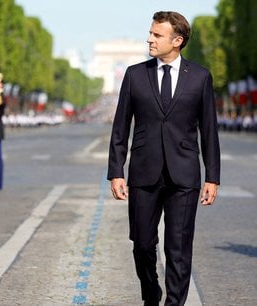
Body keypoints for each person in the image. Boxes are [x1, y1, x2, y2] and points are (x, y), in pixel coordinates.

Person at [107, 11, 220, 306]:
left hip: (184, 175)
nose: (150, 39)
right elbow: (121, 127)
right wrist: (116, 172)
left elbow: (209, 131)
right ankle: (151, 294)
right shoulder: (134, 75)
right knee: (142, 245)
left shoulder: (200, 77)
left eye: (157, 35)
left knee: (179, 248)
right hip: (143, 174)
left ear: (177, 40)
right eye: (151, 33)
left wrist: (212, 177)